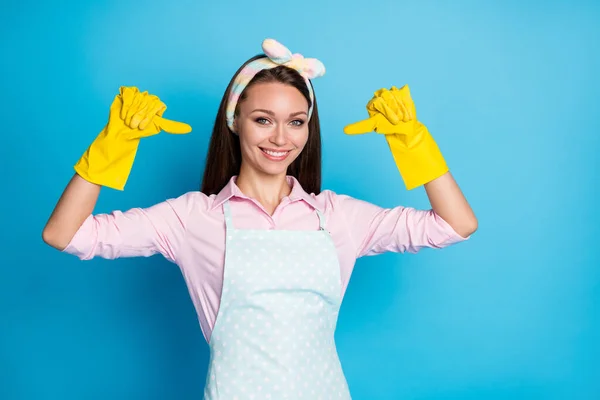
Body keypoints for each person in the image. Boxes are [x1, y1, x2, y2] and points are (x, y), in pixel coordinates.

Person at [42, 38, 477, 399]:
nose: (280, 138)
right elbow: (65, 234)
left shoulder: (338, 217)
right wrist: (111, 146)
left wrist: (414, 144)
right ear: (235, 121)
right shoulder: (193, 218)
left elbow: (455, 224)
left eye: (296, 122)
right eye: (263, 120)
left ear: (309, 129)